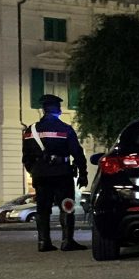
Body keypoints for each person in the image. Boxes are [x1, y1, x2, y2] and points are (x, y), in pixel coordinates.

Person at [21, 94, 88, 252]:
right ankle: (67, 241)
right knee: (67, 206)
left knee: (42, 208)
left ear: (43, 110)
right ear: (57, 110)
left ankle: (43, 242)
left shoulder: (30, 131)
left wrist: (35, 171)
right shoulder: (65, 129)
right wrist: (83, 174)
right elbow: (77, 153)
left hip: (40, 176)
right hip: (62, 174)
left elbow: (26, 158)